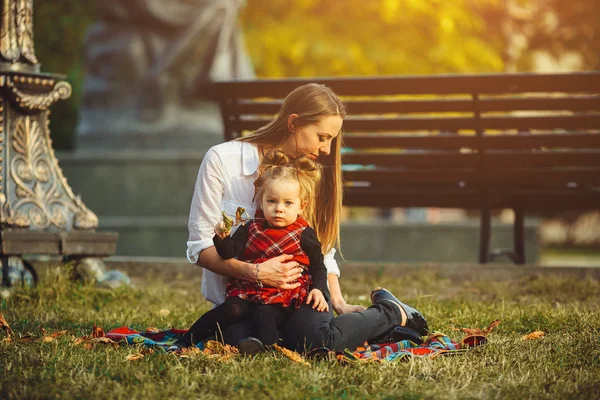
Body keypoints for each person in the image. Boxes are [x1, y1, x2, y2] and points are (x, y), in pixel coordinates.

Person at [186, 83, 428, 352]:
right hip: (240, 299)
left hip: (298, 298)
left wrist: (337, 300)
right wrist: (255, 272)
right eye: (322, 137)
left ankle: (390, 313)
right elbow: (200, 247)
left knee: (315, 342)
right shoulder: (222, 160)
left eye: (331, 140)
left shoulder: (306, 174)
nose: (326, 149)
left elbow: (318, 250)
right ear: (293, 123)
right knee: (237, 338)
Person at [176, 152, 329, 349]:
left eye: (288, 203)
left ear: (301, 206)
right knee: (231, 309)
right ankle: (185, 341)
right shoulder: (251, 227)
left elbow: (318, 265)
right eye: (271, 201)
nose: (278, 208)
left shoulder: (304, 233)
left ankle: (267, 348)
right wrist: (222, 238)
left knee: (265, 314)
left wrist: (319, 289)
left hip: (283, 298)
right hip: (249, 291)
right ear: (261, 201)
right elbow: (229, 252)